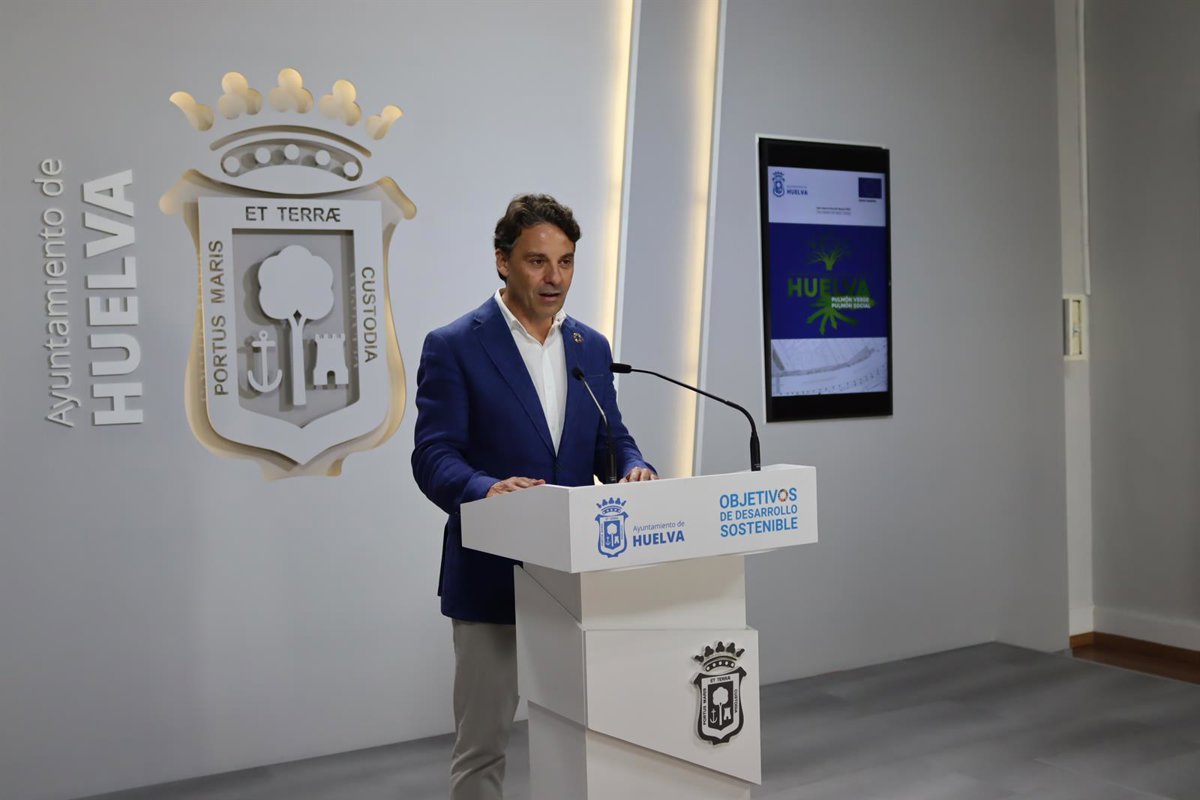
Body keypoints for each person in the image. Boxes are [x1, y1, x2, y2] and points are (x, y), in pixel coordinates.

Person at [411, 194, 655, 800]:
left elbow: (609, 439)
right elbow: (433, 454)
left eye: (566, 262)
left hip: (577, 576)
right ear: (503, 261)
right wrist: (485, 489)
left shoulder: (590, 347)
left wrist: (633, 466)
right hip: (491, 575)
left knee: (585, 737)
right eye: (538, 261)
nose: (555, 278)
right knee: (482, 748)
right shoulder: (454, 345)